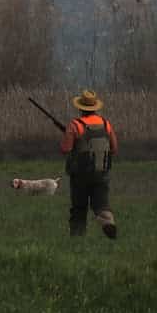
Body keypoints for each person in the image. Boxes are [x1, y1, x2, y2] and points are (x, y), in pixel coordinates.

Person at [60, 88, 118, 239]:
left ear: (80, 108)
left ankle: (77, 240)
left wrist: (68, 135)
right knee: (102, 206)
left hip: (80, 175)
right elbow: (114, 149)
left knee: (79, 208)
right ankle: (108, 224)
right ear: (95, 107)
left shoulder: (75, 125)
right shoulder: (106, 124)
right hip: (102, 173)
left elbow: (65, 149)